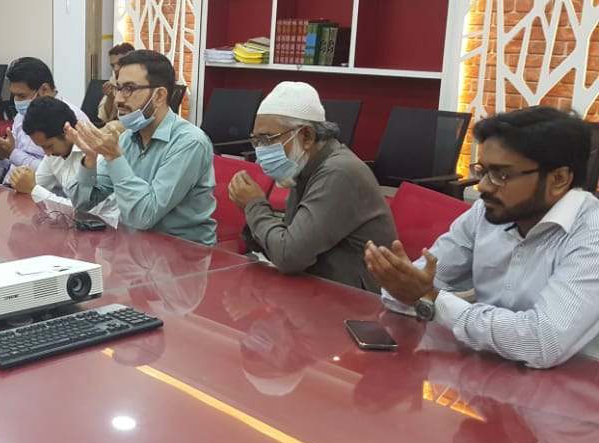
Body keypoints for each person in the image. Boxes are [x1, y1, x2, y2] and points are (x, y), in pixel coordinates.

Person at [367, 106, 599, 369]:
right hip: (487, 372)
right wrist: (412, 288)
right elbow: (407, 289)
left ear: (558, 179)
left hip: (574, 383)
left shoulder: (591, 234)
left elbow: (541, 343)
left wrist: (431, 298)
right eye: (482, 171)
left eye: (502, 175)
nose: (483, 186)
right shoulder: (485, 213)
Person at [227, 81, 397, 290]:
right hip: (320, 290)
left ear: (307, 136)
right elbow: (284, 246)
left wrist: (254, 205)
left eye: (267, 139)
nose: (260, 151)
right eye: (257, 141)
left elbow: (288, 256)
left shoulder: (339, 172)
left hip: (356, 300)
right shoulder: (306, 168)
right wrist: (252, 210)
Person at [65, 50, 217, 245]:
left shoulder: (189, 142)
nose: (118, 99)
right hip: (135, 247)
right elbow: (83, 204)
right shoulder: (127, 138)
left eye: (129, 89)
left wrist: (114, 156)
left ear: (159, 96)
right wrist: (90, 158)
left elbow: (144, 216)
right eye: (118, 88)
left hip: (184, 252)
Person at [9, 96, 119, 225]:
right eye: (42, 147)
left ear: (66, 131)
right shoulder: (54, 153)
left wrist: (34, 189)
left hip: (109, 228)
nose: (47, 153)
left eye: (48, 146)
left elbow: (84, 212)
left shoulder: (98, 154)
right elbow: (35, 185)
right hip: (76, 227)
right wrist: (22, 180)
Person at [0, 57, 89, 184]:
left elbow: (61, 176)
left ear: (44, 89)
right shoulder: (21, 116)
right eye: (14, 95)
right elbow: (2, 172)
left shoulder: (73, 120)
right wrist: (0, 154)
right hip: (9, 188)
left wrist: (12, 154)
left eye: (22, 95)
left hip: (41, 192)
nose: (17, 101)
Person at [98, 43, 135, 123]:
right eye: (112, 65)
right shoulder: (114, 81)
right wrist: (110, 97)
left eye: (120, 64)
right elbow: (105, 118)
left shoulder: (142, 81)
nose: (116, 69)